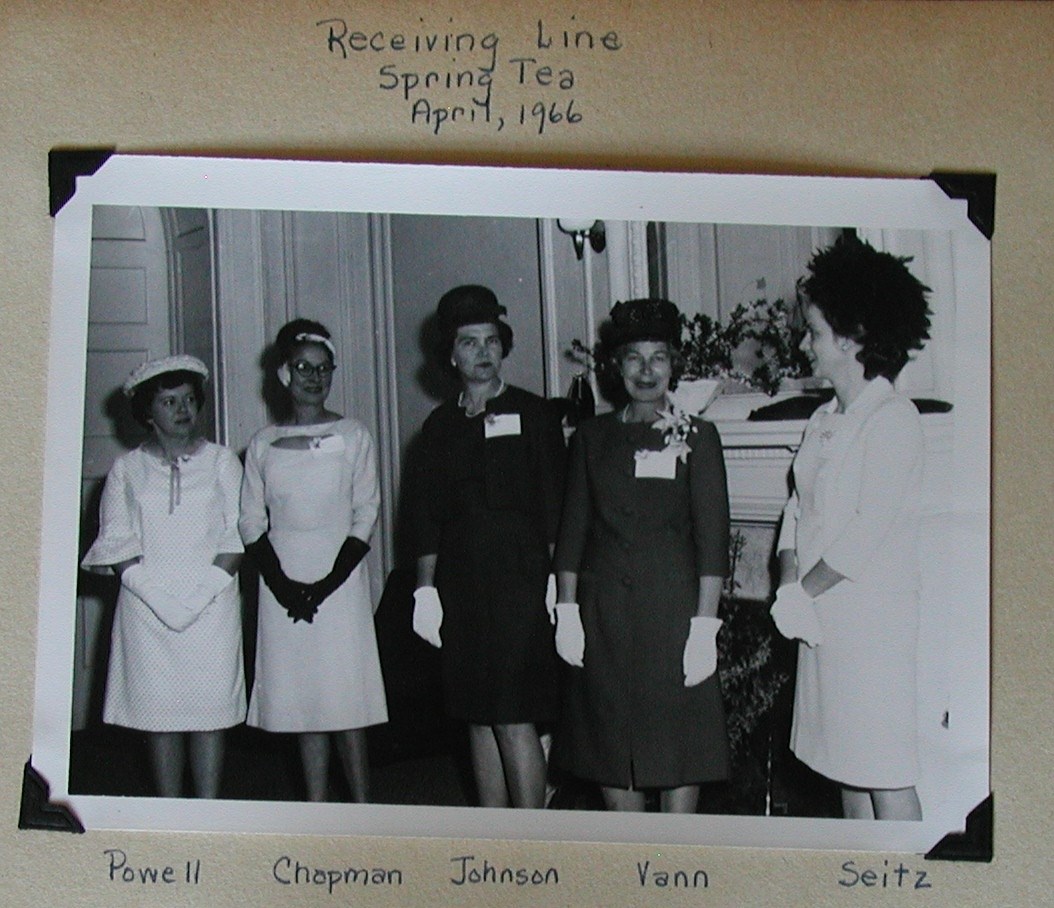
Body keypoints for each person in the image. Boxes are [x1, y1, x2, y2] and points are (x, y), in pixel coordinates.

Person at [771, 233, 932, 821]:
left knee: (883, 772)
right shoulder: (823, 417)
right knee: (844, 767)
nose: (804, 343)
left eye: (813, 331)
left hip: (869, 625)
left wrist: (801, 593)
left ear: (850, 337)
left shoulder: (893, 419)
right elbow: (797, 506)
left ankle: (908, 872)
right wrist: (788, 584)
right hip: (819, 618)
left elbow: (868, 531)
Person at [551, 298, 731, 813]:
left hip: (674, 617)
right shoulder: (592, 437)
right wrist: (567, 611)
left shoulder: (698, 436)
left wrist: (705, 627)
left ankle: (677, 855)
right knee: (609, 747)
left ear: (674, 365)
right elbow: (572, 531)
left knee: (680, 747)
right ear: (616, 366)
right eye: (634, 358)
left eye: (659, 358)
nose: (646, 371)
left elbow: (713, 541)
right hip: (604, 617)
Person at [409, 285, 566, 809]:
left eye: (491, 340)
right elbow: (427, 516)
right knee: (476, 715)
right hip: (462, 585)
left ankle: (532, 838)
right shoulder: (438, 427)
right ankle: (493, 832)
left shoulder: (534, 414)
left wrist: (557, 583)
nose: (483, 352)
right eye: (469, 342)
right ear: (451, 355)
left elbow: (556, 504)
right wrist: (425, 591)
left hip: (522, 583)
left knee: (513, 715)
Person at [82, 355, 245, 798]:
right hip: (147, 612)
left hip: (211, 608)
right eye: (169, 402)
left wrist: (199, 598)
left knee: (209, 714)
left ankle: (207, 813)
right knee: (161, 717)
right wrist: (160, 602)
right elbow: (117, 541)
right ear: (147, 413)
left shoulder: (222, 462)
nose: (182, 410)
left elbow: (238, 532)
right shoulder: (127, 470)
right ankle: (169, 812)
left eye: (188, 399)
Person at [240, 319, 387, 802]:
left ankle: (363, 810)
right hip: (282, 578)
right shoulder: (262, 443)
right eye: (303, 367)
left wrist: (325, 585)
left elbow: (366, 510)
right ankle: (317, 810)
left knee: (346, 700)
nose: (314, 377)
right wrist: (284, 586)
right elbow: (250, 520)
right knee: (305, 703)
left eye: (324, 368)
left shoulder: (353, 434)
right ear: (284, 374)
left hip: (340, 578)